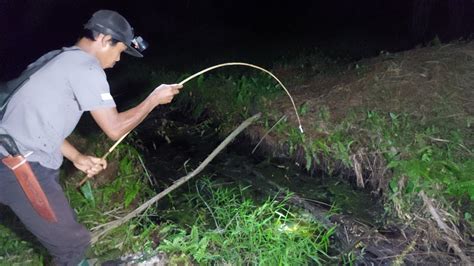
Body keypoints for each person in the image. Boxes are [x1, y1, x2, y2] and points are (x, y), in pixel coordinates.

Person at [0, 10, 182, 265]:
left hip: (11, 157)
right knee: (71, 247)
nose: (118, 59)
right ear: (105, 39)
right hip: (19, 167)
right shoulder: (86, 66)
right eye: (119, 51)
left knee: (69, 242)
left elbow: (31, 121)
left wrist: (76, 156)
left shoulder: (58, 59)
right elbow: (115, 128)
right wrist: (153, 100)